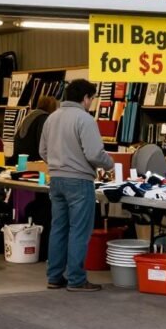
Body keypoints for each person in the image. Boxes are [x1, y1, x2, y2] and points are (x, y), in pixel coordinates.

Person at [40, 79, 114, 292]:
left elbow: (42, 151)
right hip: (80, 181)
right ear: (85, 98)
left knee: (59, 228)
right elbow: (94, 153)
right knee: (79, 230)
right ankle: (76, 279)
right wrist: (110, 164)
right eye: (92, 99)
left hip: (55, 179)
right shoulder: (85, 119)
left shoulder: (51, 118)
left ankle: (54, 277)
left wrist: (57, 164)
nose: (91, 103)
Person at [14, 95, 59, 161]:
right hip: (34, 159)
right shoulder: (44, 118)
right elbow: (43, 143)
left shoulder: (30, 116)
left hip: (21, 158)